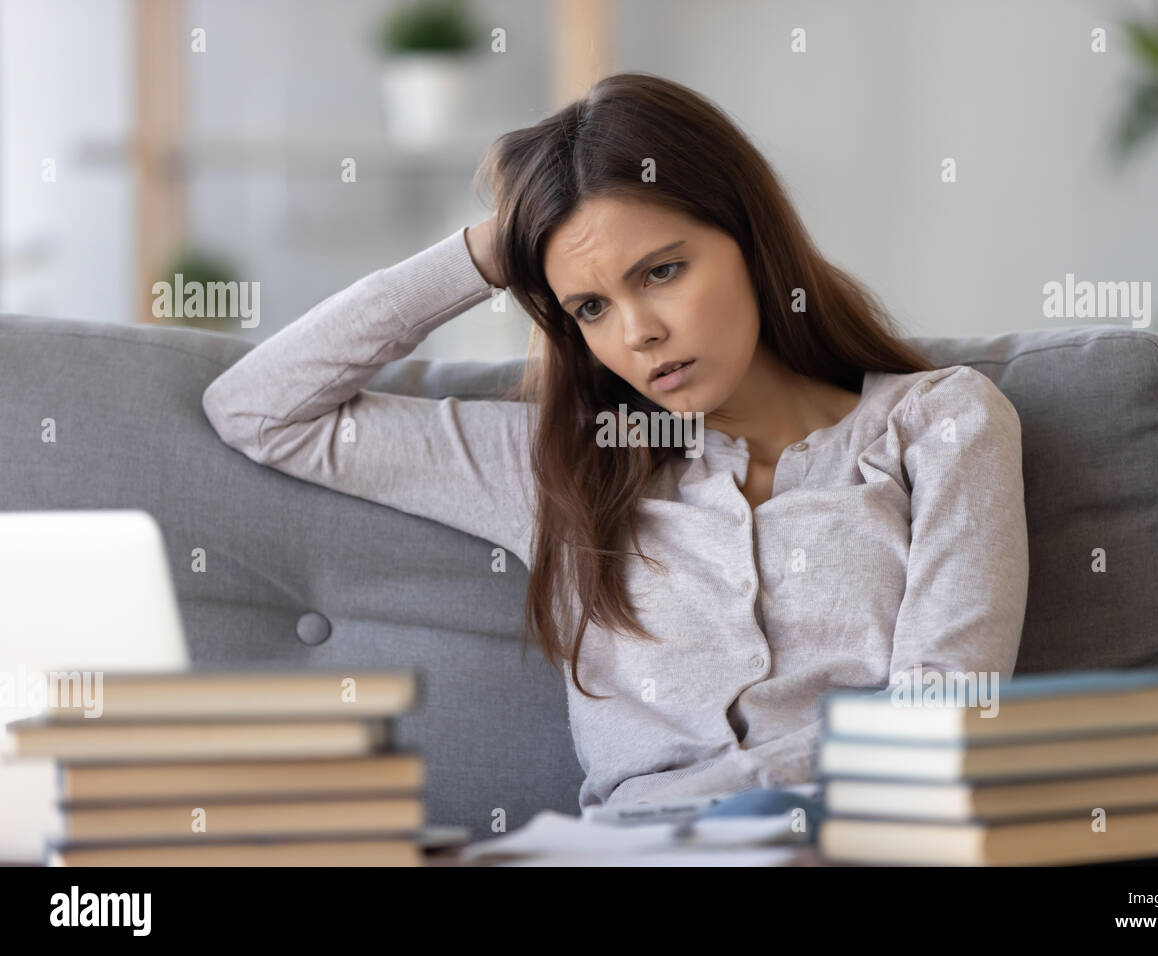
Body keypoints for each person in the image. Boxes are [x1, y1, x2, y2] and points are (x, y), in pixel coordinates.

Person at [202, 71, 1030, 817]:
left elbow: (942, 721)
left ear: (752, 238)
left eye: (662, 271)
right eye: (589, 307)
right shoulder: (558, 467)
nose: (638, 334)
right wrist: (489, 249)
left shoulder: (941, 424)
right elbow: (259, 410)